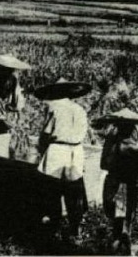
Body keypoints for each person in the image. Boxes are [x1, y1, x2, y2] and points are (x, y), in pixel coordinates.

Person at [93, 108, 138, 255]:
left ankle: (122, 240)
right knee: (119, 211)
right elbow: (105, 162)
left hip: (128, 180)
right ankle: (120, 239)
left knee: (125, 212)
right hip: (118, 179)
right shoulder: (115, 136)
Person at [35, 78, 92, 243]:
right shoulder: (80, 109)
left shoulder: (54, 108)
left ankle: (53, 227)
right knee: (73, 191)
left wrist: (41, 148)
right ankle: (75, 229)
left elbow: (46, 134)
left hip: (58, 150)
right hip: (76, 150)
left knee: (53, 191)